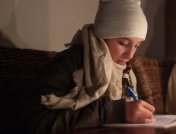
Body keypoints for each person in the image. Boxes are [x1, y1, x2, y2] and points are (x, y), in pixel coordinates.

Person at [20, 0, 156, 133]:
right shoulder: (72, 61)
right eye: (123, 43)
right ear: (103, 36)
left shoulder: (126, 71)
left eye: (137, 46)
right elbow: (37, 123)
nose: (130, 55)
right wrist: (115, 111)